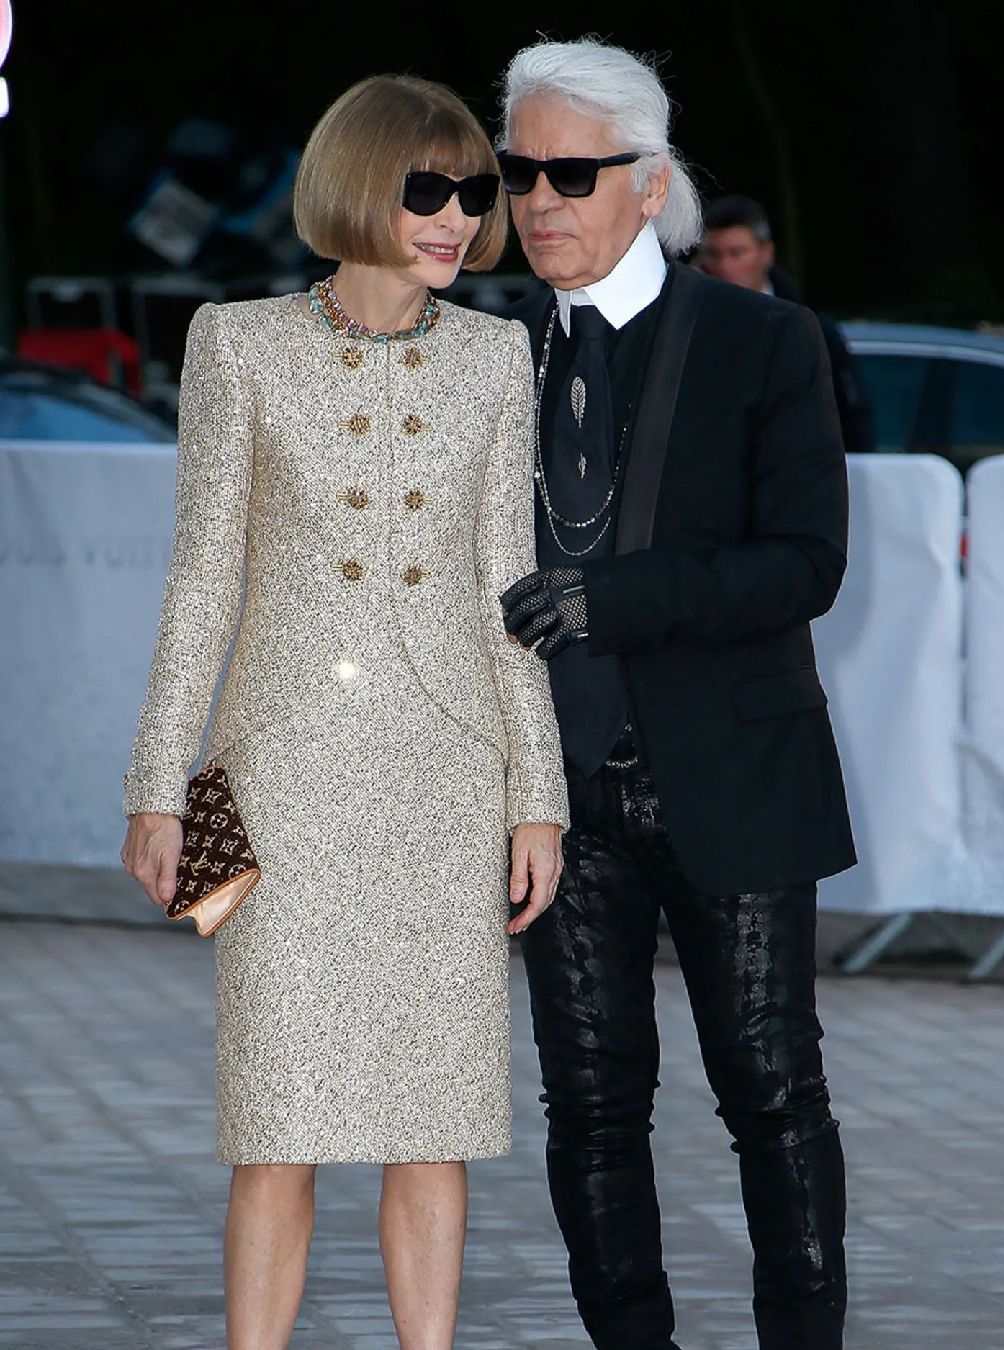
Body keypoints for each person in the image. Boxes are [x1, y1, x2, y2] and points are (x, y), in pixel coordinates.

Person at [120, 74, 568, 1350]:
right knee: (281, 1121)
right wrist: (159, 785)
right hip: (283, 776)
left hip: (444, 776)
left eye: (474, 194)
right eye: (429, 188)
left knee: (435, 1123)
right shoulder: (238, 341)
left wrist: (537, 796)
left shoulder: (496, 357)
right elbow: (203, 576)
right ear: (359, 186)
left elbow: (507, 589)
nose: (456, 216)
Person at [495, 38, 856, 1350]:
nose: (539, 198)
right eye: (521, 169)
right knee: (588, 1102)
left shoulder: (765, 339)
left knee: (769, 1089)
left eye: (571, 173)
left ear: (647, 186)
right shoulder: (487, 348)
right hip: (555, 795)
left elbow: (806, 560)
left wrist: (616, 596)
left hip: (734, 775)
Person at [696, 193, 875, 453]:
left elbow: (848, 415)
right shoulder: (688, 327)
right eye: (713, 254)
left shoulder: (810, 327)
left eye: (737, 253)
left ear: (765, 253)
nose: (725, 267)